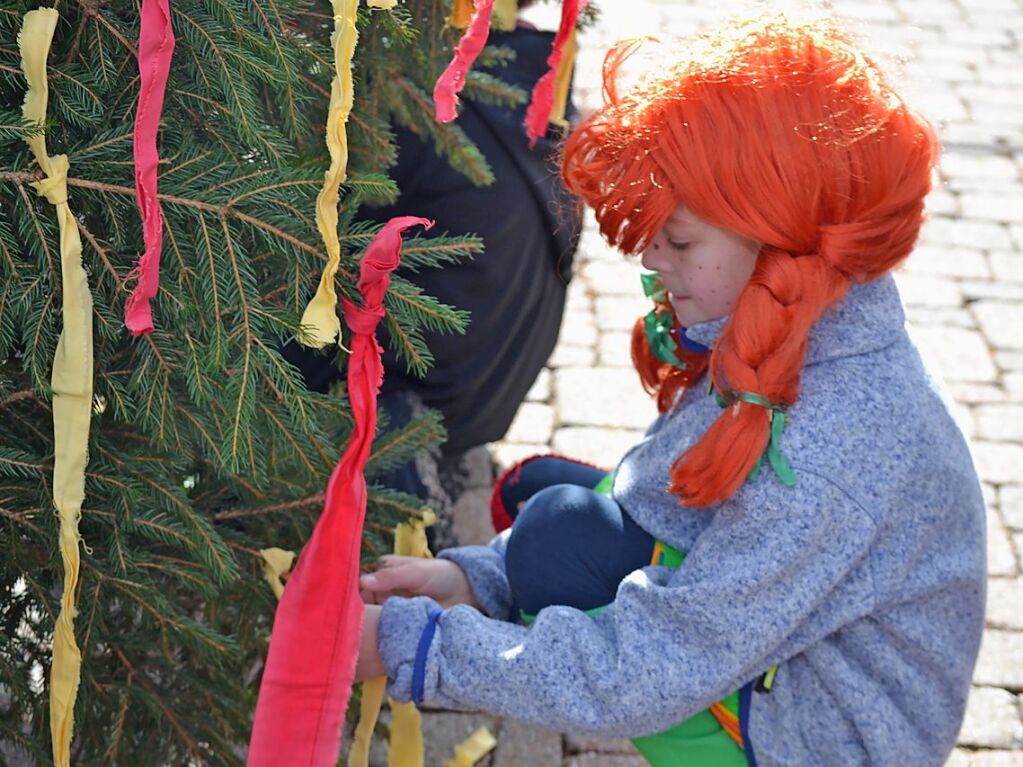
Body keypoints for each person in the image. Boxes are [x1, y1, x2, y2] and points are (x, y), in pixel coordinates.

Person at [353, 13, 987, 766]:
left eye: (679, 239)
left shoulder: (828, 451)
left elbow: (650, 665)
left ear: (775, 237)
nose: (651, 256)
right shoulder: (796, 319)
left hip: (821, 739)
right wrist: (470, 583)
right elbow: (658, 497)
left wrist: (419, 649)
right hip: (791, 657)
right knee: (553, 507)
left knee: (562, 540)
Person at [286, 10, 581, 548]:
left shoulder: (400, 99)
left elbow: (310, 249)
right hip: (497, 380)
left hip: (426, 403)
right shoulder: (536, 70)